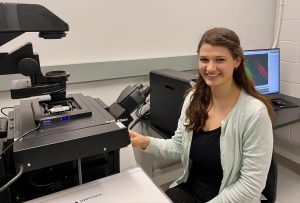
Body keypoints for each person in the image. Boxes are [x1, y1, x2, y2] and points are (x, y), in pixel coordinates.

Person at [129, 27, 274, 203]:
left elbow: (250, 188)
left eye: (220, 59)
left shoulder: (254, 113)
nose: (210, 67)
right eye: (204, 59)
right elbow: (179, 146)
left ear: (237, 61)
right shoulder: (194, 98)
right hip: (192, 189)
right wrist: (145, 142)